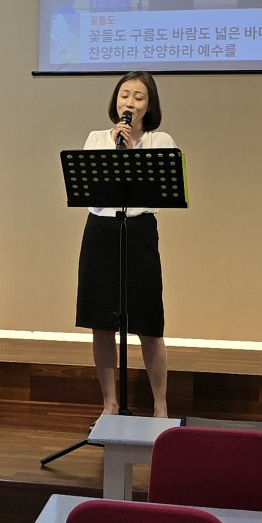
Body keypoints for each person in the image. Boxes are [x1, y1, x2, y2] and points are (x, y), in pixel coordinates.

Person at [75, 73, 174, 418]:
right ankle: (110, 404)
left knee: (149, 322)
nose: (129, 103)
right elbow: (90, 189)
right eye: (124, 95)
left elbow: (159, 193)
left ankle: (160, 406)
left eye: (138, 97)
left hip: (139, 231)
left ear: (150, 105)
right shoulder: (97, 138)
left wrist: (132, 153)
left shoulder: (160, 141)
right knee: (101, 323)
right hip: (100, 231)